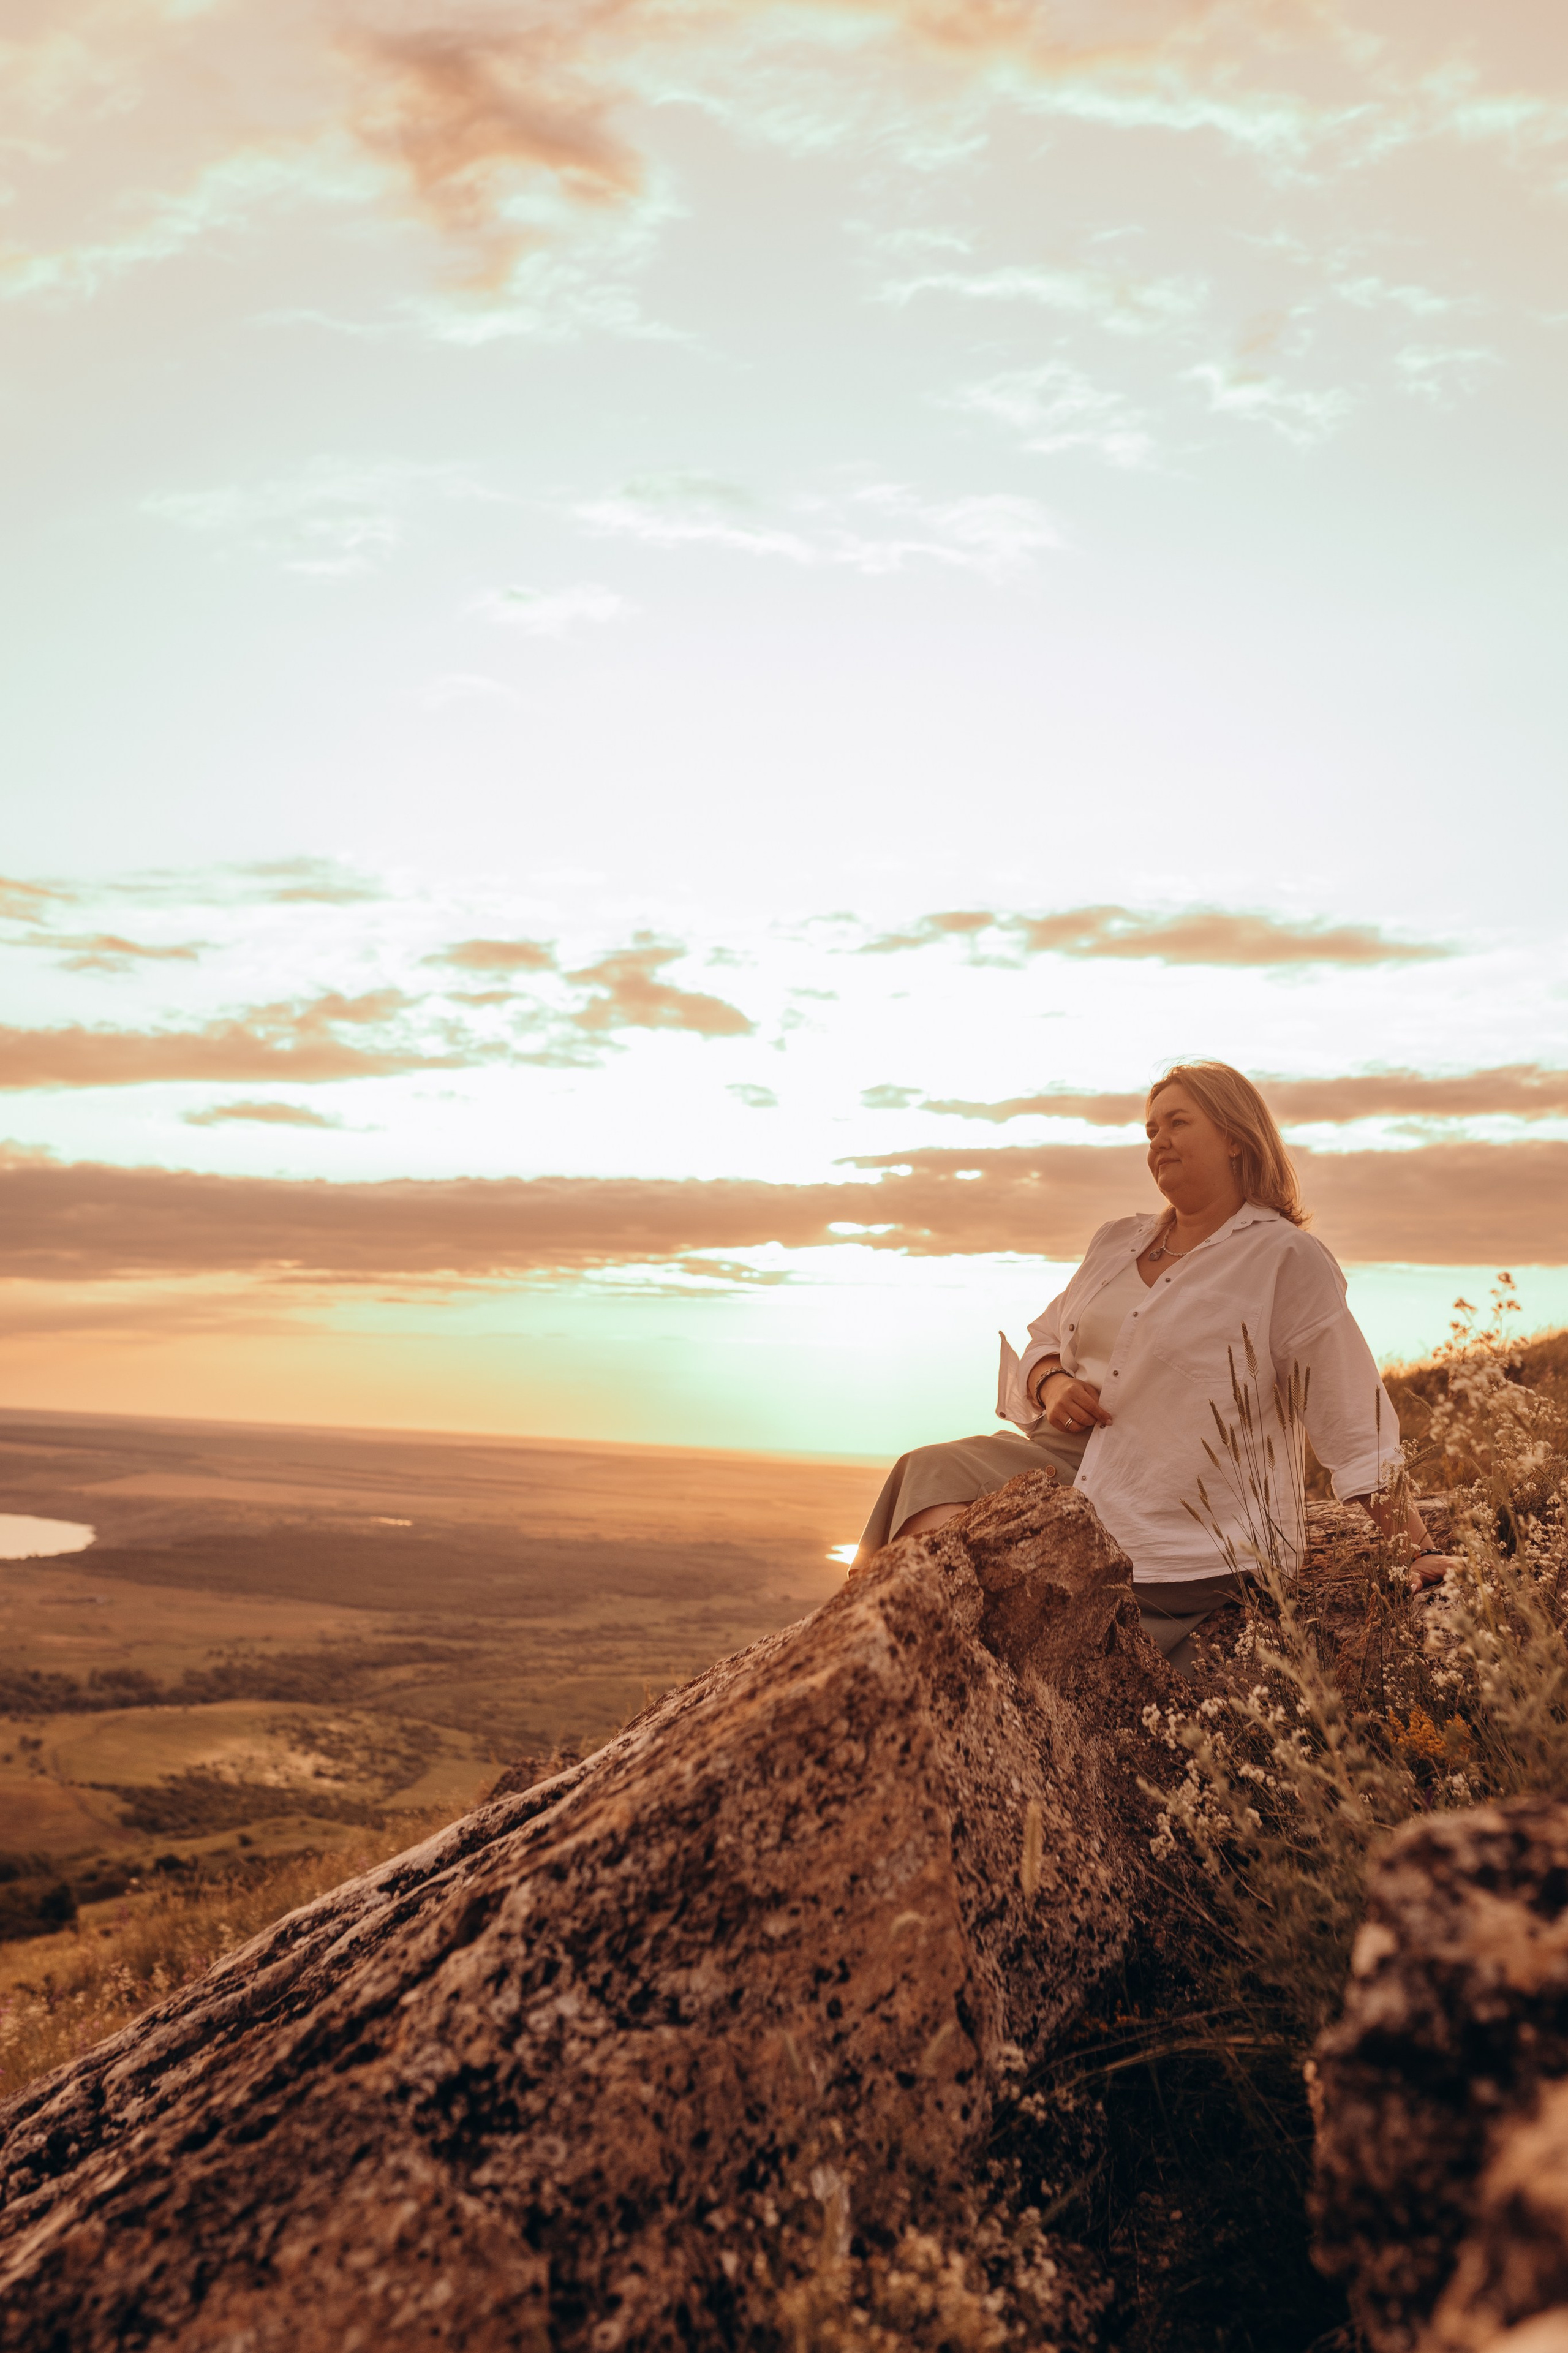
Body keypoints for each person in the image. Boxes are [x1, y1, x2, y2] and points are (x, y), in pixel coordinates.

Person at [853, 1061, 1453, 1673]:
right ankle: (907, 1658)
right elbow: (1042, 1338)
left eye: (1176, 1122)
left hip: (1178, 1502)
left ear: (1233, 1137)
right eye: (1149, 1130)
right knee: (927, 1475)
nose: (1157, 1140)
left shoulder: (1285, 1259)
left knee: (1019, 1577)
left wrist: (1416, 1547)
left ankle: (941, 1665)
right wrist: (1051, 1381)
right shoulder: (1116, 1242)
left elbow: (1350, 1416)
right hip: (1062, 1458)